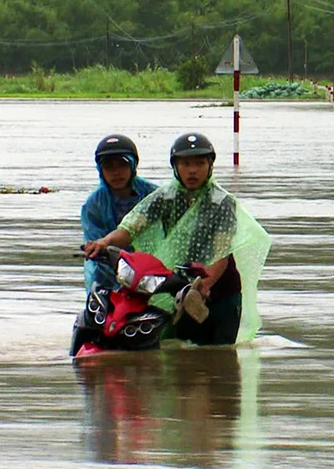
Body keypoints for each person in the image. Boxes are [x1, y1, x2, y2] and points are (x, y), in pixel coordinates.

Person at [84, 133, 271, 346]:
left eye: (200, 163)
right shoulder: (165, 197)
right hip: (180, 288)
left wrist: (204, 286)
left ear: (210, 166)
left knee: (221, 360)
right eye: (185, 163)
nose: (192, 170)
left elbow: (222, 252)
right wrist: (104, 242)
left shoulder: (222, 202)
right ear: (175, 167)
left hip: (220, 292)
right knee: (177, 358)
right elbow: (131, 228)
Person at [81, 134, 158, 290]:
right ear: (101, 170)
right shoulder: (94, 205)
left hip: (152, 271)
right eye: (109, 167)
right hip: (107, 275)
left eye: (122, 165)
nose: (116, 172)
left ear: (133, 165)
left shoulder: (154, 196)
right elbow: (96, 242)